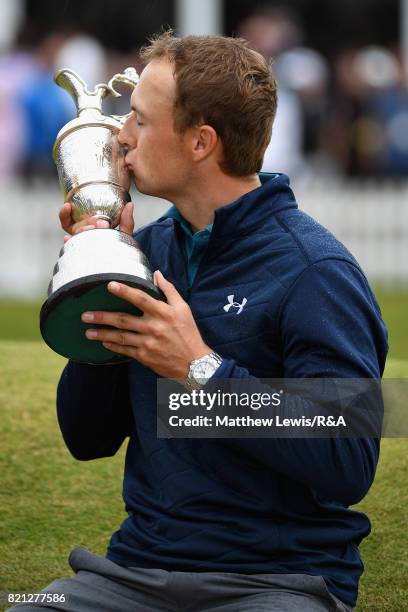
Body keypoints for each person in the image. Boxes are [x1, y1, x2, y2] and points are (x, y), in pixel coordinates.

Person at [11, 32, 387, 612]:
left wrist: (202, 372)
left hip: (278, 584)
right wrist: (103, 264)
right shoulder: (148, 250)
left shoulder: (317, 270)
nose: (122, 137)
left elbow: (348, 460)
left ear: (200, 142)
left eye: (138, 119)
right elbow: (86, 439)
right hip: (134, 573)